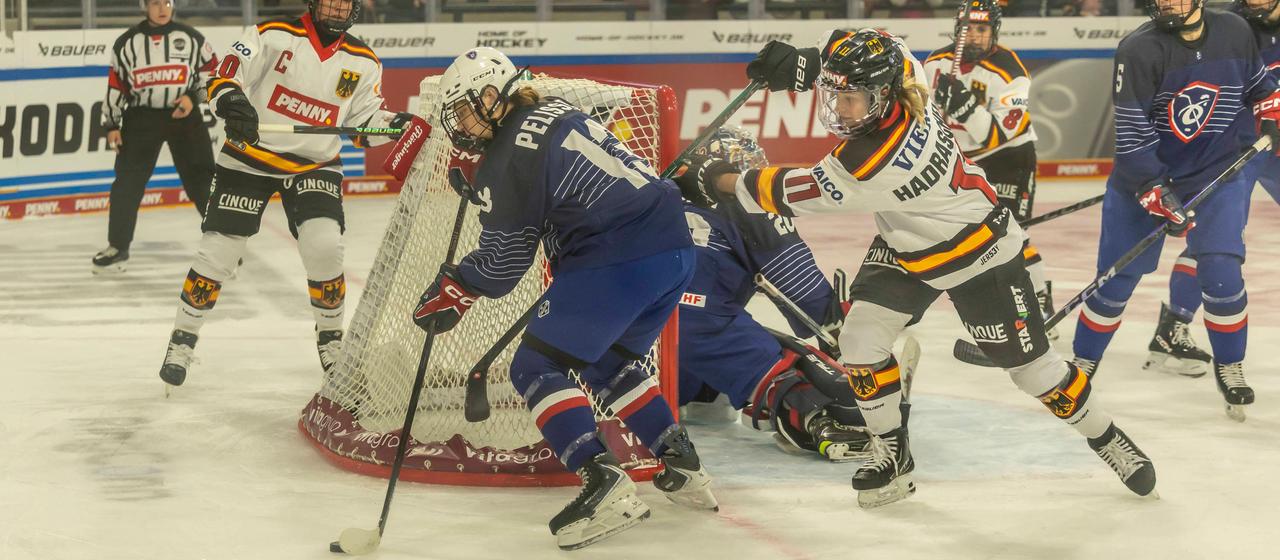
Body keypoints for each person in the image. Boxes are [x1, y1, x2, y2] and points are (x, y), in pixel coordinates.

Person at [679, 29, 1157, 508]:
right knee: (860, 342)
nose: (840, 110)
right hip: (905, 245)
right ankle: (893, 453)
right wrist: (810, 61)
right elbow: (872, 40)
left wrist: (715, 177)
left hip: (978, 255)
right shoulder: (910, 75)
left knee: (1034, 373)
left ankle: (1106, 436)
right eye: (836, 95)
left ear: (883, 96)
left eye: (852, 99)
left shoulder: (871, 164)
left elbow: (787, 192)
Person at [409, 47, 717, 550]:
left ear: (493, 96)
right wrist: (490, 190)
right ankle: (682, 464)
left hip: (618, 256)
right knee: (608, 363)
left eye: (465, 110)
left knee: (534, 367)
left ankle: (603, 481)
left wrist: (458, 284)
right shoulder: (552, 109)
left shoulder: (507, 157)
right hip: (674, 249)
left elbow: (506, 262)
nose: (460, 126)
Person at [156, 0, 413, 389]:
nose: (336, 10)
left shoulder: (363, 61)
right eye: (330, 1)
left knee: (324, 245)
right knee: (219, 250)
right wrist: (233, 101)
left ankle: (330, 337)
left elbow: (364, 123)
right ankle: (182, 340)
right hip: (249, 157)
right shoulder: (272, 35)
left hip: (313, 164)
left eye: (345, 4)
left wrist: (394, 125)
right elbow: (226, 74)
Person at [1071, 0, 1280, 422]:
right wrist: (1152, 188)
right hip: (1145, 177)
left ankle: (1230, 365)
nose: (1165, 2)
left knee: (1222, 269)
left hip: (1215, 173)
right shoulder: (1138, 48)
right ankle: (1081, 366)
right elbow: (1131, 133)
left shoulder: (1234, 30)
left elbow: (1260, 87)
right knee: (1115, 279)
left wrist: (1270, 114)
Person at [676, 126, 912, 462]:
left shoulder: (660, 189)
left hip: (633, 329)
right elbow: (799, 284)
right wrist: (841, 333)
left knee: (687, 334)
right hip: (698, 323)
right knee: (791, 362)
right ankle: (816, 420)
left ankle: (696, 391)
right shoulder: (744, 201)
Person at [923, 0, 1056, 337]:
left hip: (1008, 159)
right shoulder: (935, 63)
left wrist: (968, 108)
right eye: (968, 29)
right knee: (938, 231)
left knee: (1012, 233)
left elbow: (998, 135)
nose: (974, 37)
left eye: (981, 30)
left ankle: (1040, 301)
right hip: (959, 161)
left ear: (994, 32)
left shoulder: (1011, 72)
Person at [94, 0, 217, 274]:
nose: (162, 8)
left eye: (168, 2)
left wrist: (193, 98)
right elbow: (117, 85)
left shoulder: (192, 38)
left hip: (184, 116)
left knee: (202, 180)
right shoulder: (127, 43)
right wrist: (112, 124)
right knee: (127, 183)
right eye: (155, 3)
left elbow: (214, 76)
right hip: (142, 118)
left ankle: (223, 250)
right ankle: (118, 248)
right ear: (144, 6)